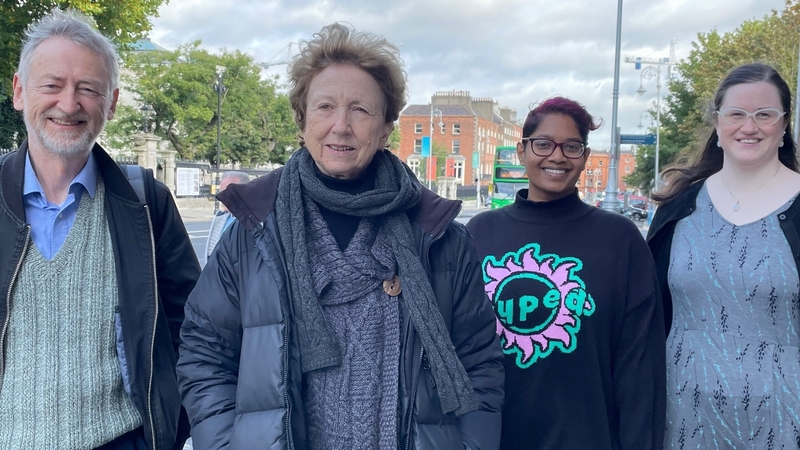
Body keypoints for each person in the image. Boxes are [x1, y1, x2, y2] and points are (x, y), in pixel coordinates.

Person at [177, 23, 504, 450]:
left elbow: (479, 363)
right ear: (302, 120)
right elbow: (205, 353)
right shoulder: (252, 233)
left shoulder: (440, 238)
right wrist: (228, 444)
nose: (341, 126)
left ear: (385, 129)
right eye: (325, 107)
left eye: (361, 110)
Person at [0, 9, 200, 450]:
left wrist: (167, 432)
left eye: (88, 89)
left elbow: (192, 330)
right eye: (52, 85)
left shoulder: (145, 203)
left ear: (110, 103)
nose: (69, 104)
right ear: (19, 91)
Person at [467, 97, 666, 450]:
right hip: (492, 438)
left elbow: (639, 365)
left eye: (571, 146)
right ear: (522, 151)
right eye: (543, 144)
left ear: (585, 157)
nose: (557, 157)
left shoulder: (619, 240)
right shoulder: (478, 233)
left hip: (588, 437)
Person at [647, 63, 800, 449]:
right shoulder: (677, 207)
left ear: (784, 125)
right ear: (717, 123)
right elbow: (648, 314)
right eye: (736, 114)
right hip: (682, 418)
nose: (749, 127)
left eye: (764, 114)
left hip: (784, 421)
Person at [204, 170, 250, 263]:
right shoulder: (220, 218)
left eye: (228, 191)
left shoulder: (253, 221)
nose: (222, 196)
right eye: (221, 190)